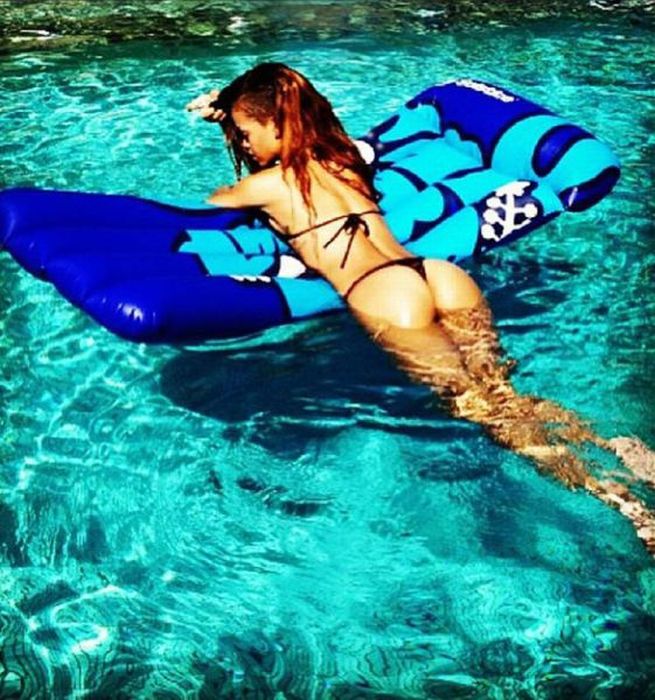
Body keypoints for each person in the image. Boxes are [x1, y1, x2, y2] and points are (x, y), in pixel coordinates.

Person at [187, 62, 655, 555]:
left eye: (246, 134)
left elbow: (203, 212)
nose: (243, 145)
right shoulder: (346, 161)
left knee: (481, 410)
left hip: (382, 291)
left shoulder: (265, 186)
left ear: (278, 125)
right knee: (502, 394)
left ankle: (626, 506)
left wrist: (221, 126)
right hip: (438, 274)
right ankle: (620, 451)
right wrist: (234, 112)